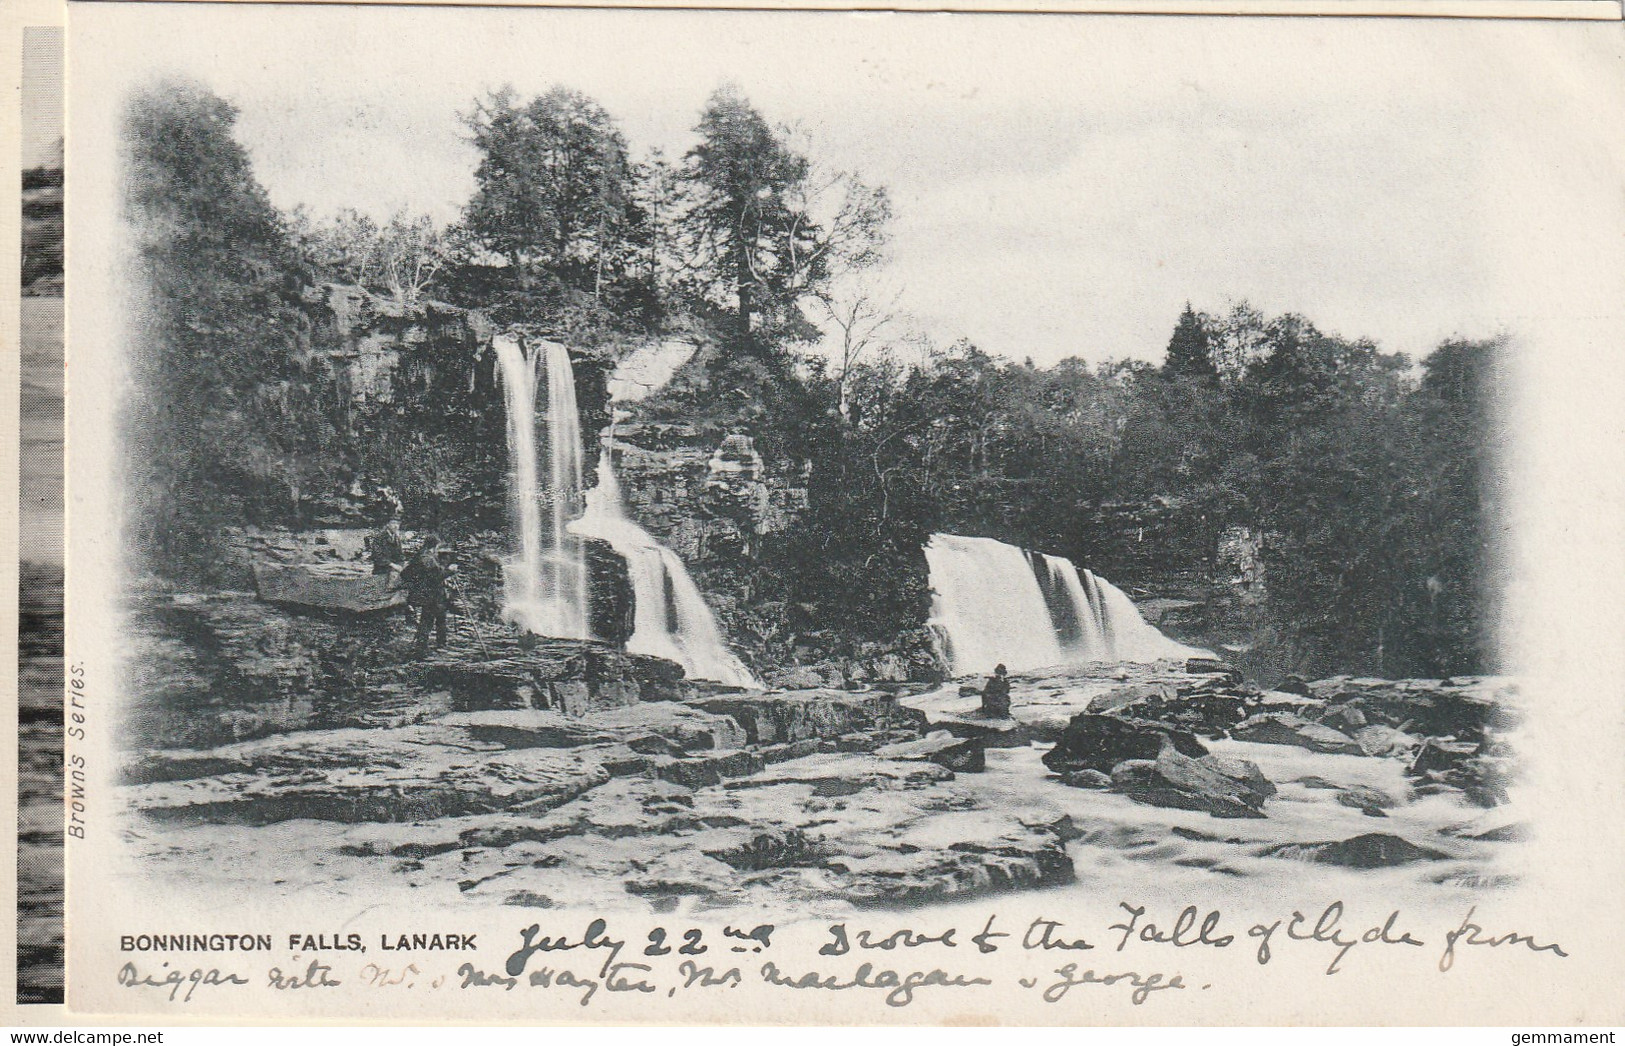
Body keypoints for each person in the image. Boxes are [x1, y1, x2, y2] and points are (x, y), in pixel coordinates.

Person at [399, 533, 450, 657]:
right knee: (431, 618)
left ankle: (430, 643)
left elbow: (405, 573)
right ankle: (426, 645)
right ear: (435, 546)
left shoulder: (421, 556)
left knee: (434, 617)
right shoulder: (427, 558)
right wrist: (450, 571)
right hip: (432, 593)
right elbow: (436, 575)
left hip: (429, 592)